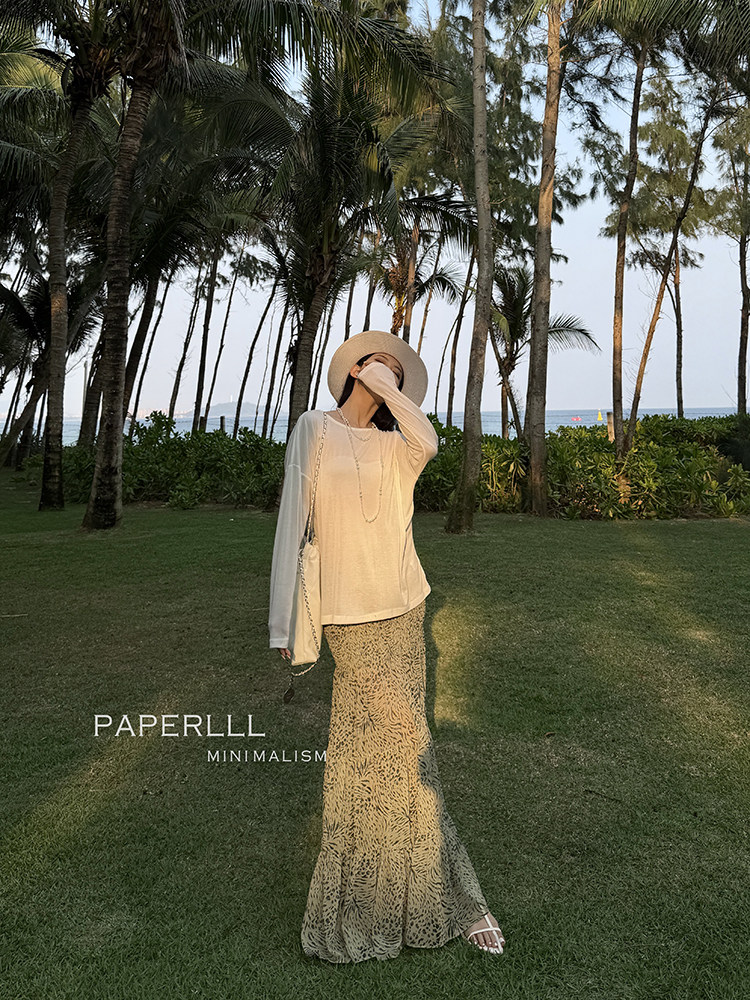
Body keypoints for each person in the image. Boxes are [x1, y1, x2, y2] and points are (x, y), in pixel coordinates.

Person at [268, 330, 505, 963]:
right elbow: (292, 522)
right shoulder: (314, 429)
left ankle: (416, 893)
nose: (388, 374)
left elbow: (429, 440)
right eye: (377, 363)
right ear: (352, 370)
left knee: (387, 749)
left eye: (398, 372)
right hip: (347, 616)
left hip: (404, 605)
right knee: (396, 745)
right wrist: (283, 623)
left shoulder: (399, 445)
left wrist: (391, 392)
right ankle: (450, 896)